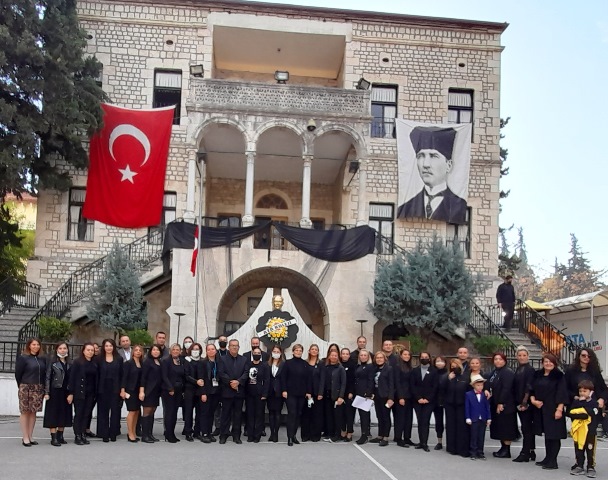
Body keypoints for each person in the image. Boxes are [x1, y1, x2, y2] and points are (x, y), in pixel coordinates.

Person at [396, 125, 467, 224]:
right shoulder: (408, 205)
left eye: (433, 156)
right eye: (421, 156)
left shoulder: (458, 205)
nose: (426, 164)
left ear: (448, 165)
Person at [530, 353, 568, 470]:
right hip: (541, 409)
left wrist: (559, 409)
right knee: (547, 434)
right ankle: (547, 458)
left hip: (554, 409)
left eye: (551, 361)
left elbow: (562, 393)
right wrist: (533, 400)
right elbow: (531, 390)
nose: (548, 363)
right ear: (542, 363)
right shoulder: (537, 374)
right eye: (546, 361)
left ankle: (553, 461)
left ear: (554, 363)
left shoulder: (559, 376)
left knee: (554, 435)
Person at [15, 337, 46, 447]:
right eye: (33, 344)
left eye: (37, 344)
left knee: (33, 412)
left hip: (38, 388)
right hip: (26, 387)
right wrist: (21, 386)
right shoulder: (23, 358)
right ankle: (25, 437)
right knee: (25, 412)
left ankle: (30, 435)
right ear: (29, 346)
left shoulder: (42, 359)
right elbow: (18, 374)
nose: (36, 346)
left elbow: (44, 375)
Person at [218, 339, 249, 444]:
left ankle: (236, 436)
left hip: (239, 392)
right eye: (232, 345)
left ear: (239, 347)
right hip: (227, 391)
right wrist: (232, 383)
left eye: (236, 345)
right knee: (225, 415)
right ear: (229, 347)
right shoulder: (222, 359)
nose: (234, 347)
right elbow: (221, 373)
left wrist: (238, 382)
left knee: (238, 415)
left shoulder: (244, 359)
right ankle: (223, 435)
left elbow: (246, 373)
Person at [487, 352, 517, 458]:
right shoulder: (495, 372)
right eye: (496, 359)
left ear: (504, 361)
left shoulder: (507, 372)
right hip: (495, 402)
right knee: (500, 427)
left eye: (500, 359)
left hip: (506, 404)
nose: (498, 361)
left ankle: (506, 450)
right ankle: (502, 448)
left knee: (506, 427)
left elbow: (506, 388)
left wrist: (501, 402)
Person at [282, 343, 312, 446]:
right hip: (290, 393)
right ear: (293, 351)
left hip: (301, 394)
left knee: (298, 415)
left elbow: (309, 379)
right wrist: (284, 390)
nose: (298, 352)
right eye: (296, 350)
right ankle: (289, 437)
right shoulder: (288, 363)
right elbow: (283, 378)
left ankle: (294, 435)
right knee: (292, 414)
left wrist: (308, 392)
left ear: (302, 352)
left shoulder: (305, 364)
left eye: (300, 350)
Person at [568, 380, 600, 478]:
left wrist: (581, 412)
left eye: (585, 391)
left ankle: (591, 467)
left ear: (591, 392)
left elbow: (592, 413)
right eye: (580, 391)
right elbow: (571, 412)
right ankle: (579, 465)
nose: (582, 393)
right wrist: (582, 412)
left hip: (590, 431)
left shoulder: (594, 403)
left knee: (590, 449)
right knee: (579, 449)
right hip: (579, 430)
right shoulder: (576, 402)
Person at [67, 343, 98, 446]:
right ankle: (77, 435)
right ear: (83, 351)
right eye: (88, 350)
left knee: (86, 414)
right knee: (79, 414)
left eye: (92, 350)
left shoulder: (94, 363)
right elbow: (72, 378)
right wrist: (70, 393)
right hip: (79, 392)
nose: (90, 352)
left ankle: (83, 434)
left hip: (90, 392)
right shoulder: (77, 362)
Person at [44, 341, 72, 446]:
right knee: (53, 414)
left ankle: (61, 435)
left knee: (64, 413)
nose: (63, 350)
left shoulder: (70, 363)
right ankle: (54, 437)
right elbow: (47, 377)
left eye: (64, 348)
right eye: (60, 348)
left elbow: (72, 379)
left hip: (66, 392)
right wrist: (46, 392)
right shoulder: (52, 362)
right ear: (57, 350)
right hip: (54, 391)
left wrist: (71, 393)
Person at [512, 345, 536, 463]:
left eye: (524, 355)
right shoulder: (518, 369)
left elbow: (529, 386)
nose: (522, 357)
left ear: (528, 356)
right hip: (519, 401)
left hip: (525, 403)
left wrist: (524, 402)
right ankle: (531, 451)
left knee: (526, 428)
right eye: (519, 355)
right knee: (527, 428)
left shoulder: (530, 369)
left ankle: (525, 453)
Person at [96, 339, 122, 443]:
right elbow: (97, 375)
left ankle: (113, 433)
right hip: (102, 388)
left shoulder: (119, 359)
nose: (108, 348)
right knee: (103, 412)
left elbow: (121, 374)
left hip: (115, 388)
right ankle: (104, 434)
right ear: (103, 347)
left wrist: (122, 389)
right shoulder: (99, 359)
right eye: (106, 346)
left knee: (115, 412)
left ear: (114, 347)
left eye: (110, 346)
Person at [410, 351, 438, 452]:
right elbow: (412, 385)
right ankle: (421, 442)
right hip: (417, 401)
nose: (424, 358)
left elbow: (435, 387)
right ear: (419, 358)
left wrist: (427, 398)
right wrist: (418, 398)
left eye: (426, 357)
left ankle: (425, 443)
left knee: (425, 421)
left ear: (429, 358)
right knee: (419, 421)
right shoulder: (415, 371)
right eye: (422, 357)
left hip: (429, 401)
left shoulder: (434, 371)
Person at [444, 358, 470, 457]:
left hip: (461, 405)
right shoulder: (448, 376)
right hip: (449, 404)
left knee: (461, 427)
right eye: (452, 365)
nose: (454, 367)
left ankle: (462, 448)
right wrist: (448, 379)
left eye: (456, 365)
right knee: (451, 426)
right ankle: (451, 447)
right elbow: (442, 388)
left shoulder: (465, 377)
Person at [161, 343, 185, 443]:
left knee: (174, 412)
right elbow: (164, 376)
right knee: (169, 412)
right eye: (174, 349)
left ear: (180, 351)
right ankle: (168, 433)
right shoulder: (166, 361)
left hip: (179, 391)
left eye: (177, 349)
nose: (175, 351)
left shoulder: (181, 361)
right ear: (171, 351)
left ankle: (172, 433)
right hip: (169, 391)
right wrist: (170, 388)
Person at [301, 343, 325, 442]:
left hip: (317, 394)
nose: (314, 351)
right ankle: (305, 435)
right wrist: (306, 392)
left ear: (318, 352)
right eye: (312, 349)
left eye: (316, 349)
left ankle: (315, 435)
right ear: (309, 351)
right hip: (306, 394)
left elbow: (323, 379)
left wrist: (320, 393)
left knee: (317, 415)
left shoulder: (321, 364)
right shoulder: (304, 363)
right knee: (306, 415)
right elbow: (303, 379)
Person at [369, 351, 394, 446]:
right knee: (379, 416)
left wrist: (391, 398)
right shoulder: (375, 369)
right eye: (377, 358)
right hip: (377, 396)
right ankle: (380, 435)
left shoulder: (389, 369)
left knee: (386, 417)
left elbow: (392, 384)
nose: (379, 359)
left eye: (381, 358)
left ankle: (386, 437)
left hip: (386, 396)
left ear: (385, 359)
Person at [245, 346, 269, 443]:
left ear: (261, 355)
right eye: (255, 353)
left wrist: (265, 394)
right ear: (252, 354)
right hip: (249, 393)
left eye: (258, 353)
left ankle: (257, 435)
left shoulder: (264, 366)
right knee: (250, 414)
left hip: (260, 394)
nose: (257, 354)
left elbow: (267, 381)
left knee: (259, 415)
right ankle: (250, 434)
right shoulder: (248, 364)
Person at [139, 344, 163, 444]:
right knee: (147, 412)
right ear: (150, 351)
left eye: (157, 350)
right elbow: (143, 377)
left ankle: (150, 434)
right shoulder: (147, 362)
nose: (156, 351)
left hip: (156, 391)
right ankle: (144, 435)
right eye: (154, 350)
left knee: (152, 411)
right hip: (148, 390)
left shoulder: (159, 362)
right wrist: (142, 391)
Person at [465, 374, 492, 460]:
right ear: (473, 385)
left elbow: (487, 407)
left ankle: (480, 452)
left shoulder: (485, 394)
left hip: (483, 418)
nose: (480, 387)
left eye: (481, 385)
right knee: (474, 436)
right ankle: (473, 452)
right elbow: (467, 407)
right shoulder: (468, 394)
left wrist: (489, 418)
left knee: (481, 436)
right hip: (474, 418)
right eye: (478, 385)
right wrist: (467, 417)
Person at [120, 344, 143, 443]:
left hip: (138, 390)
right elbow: (124, 377)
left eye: (140, 350)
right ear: (133, 351)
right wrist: (122, 390)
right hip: (130, 390)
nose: (138, 352)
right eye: (136, 350)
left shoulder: (142, 363)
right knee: (132, 411)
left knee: (137, 411)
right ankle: (130, 433)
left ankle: (133, 432)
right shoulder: (128, 363)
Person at [322, 350, 346, 443]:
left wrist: (341, 396)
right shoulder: (326, 367)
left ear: (338, 357)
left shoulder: (340, 368)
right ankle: (331, 434)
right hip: (327, 395)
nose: (334, 357)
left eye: (336, 355)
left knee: (337, 416)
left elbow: (343, 383)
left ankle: (337, 435)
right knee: (329, 416)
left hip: (336, 396)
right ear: (329, 356)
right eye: (332, 355)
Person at [183, 342, 205, 441]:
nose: (196, 351)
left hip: (199, 389)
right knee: (188, 411)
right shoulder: (187, 361)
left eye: (198, 349)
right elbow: (186, 375)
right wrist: (196, 381)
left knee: (199, 412)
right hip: (189, 389)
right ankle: (188, 432)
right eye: (194, 349)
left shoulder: (202, 361)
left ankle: (197, 432)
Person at [393, 348, 414, 447]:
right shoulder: (397, 367)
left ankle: (407, 437)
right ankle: (398, 438)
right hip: (401, 396)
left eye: (408, 355)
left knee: (408, 418)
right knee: (400, 418)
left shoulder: (410, 367)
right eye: (405, 354)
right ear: (401, 356)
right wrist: (400, 397)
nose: (407, 356)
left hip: (410, 396)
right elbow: (397, 382)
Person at [200, 343, 221, 443]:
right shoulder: (203, 363)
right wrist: (203, 393)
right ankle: (204, 433)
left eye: (213, 349)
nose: (211, 351)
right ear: (206, 351)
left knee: (211, 413)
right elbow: (201, 379)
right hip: (206, 392)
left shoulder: (219, 362)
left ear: (216, 351)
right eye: (209, 349)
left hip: (216, 392)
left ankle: (209, 432)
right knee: (205, 413)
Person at [354, 349, 375, 445]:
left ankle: (365, 435)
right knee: (362, 415)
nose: (363, 357)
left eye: (365, 355)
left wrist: (368, 393)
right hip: (358, 393)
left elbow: (371, 380)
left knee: (364, 415)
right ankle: (364, 433)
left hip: (365, 394)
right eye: (361, 355)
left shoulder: (370, 367)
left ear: (368, 357)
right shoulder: (359, 366)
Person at [267, 345, 285, 443]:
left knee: (277, 413)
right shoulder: (268, 364)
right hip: (269, 392)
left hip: (279, 391)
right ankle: (271, 433)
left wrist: (284, 390)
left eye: (278, 351)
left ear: (281, 353)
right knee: (270, 413)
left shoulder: (283, 364)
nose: (276, 353)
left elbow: (285, 379)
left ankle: (276, 434)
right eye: (274, 351)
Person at [340, 347, 356, 442]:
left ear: (349, 355)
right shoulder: (339, 364)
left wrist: (351, 392)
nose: (345, 355)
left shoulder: (353, 365)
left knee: (349, 414)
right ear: (341, 355)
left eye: (347, 354)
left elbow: (353, 380)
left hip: (349, 393)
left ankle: (349, 433)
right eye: (343, 353)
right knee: (341, 414)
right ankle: (343, 431)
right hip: (340, 393)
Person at [433, 355, 448, 450]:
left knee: (450, 422)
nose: (439, 363)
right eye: (437, 361)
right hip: (435, 400)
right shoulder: (432, 373)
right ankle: (439, 441)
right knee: (438, 422)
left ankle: (451, 441)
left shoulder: (449, 373)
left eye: (442, 361)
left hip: (447, 400)